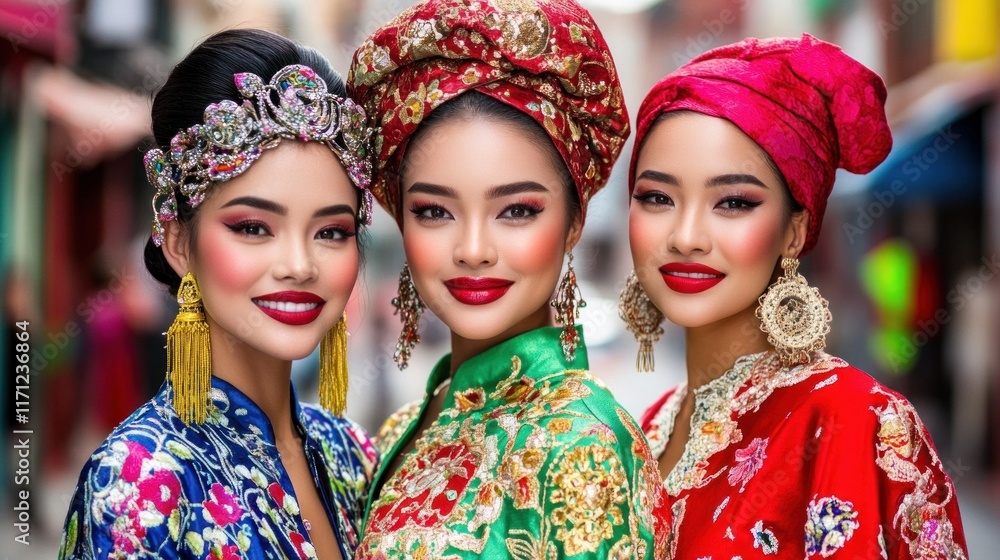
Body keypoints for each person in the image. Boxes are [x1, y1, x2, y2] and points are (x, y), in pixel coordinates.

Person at [619, 34, 969, 558]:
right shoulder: (646, 427)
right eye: (657, 198)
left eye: (733, 202)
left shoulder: (854, 419)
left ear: (795, 231)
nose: (686, 236)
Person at [347, 1, 668, 558]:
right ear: (400, 219)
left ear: (574, 223)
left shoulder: (584, 441)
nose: (473, 250)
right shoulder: (405, 428)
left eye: (516, 211)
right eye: (434, 212)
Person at [58, 29, 379, 560]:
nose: (299, 265)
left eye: (332, 232)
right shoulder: (136, 484)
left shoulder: (352, 455)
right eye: (253, 227)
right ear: (180, 241)